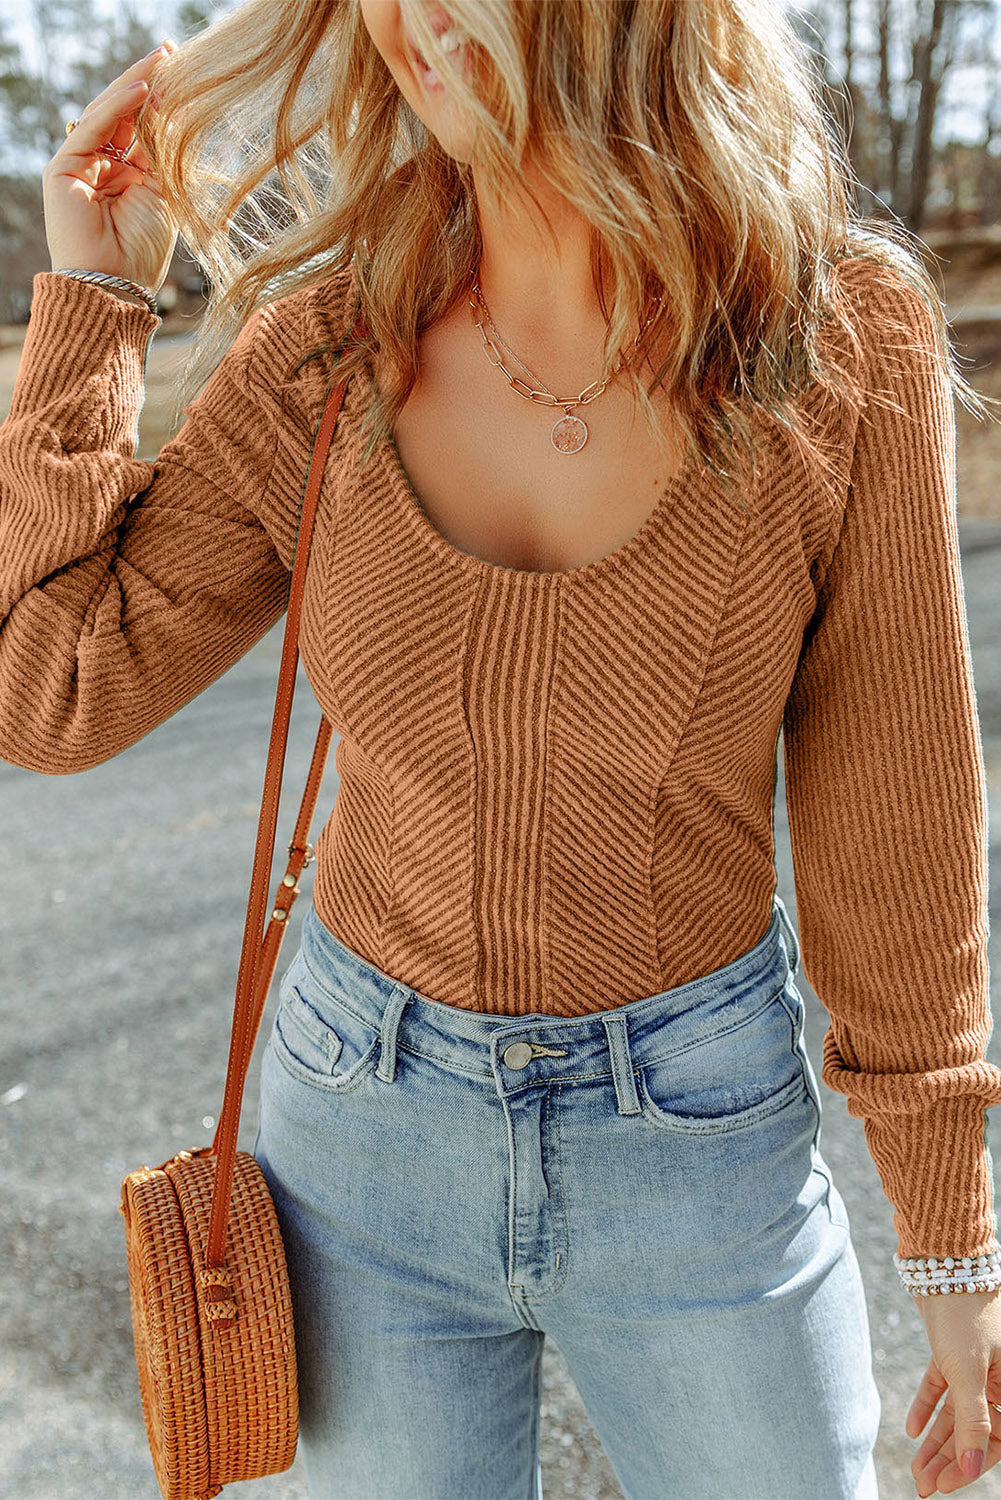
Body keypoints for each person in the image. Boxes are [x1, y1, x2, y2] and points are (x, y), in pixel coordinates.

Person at [3, 1, 1001, 1495]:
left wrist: (952, 1249)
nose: (420, 18)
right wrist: (92, 302)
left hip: (697, 1140)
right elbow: (54, 691)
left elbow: (892, 818)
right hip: (359, 1131)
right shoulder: (323, 351)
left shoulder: (837, 337)